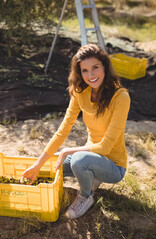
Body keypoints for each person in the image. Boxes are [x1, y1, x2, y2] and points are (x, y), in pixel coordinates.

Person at [21, 43, 130, 219]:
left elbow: (105, 147)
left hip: (114, 164)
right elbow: (63, 130)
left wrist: (68, 150)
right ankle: (92, 173)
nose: (90, 75)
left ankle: (86, 196)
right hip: (92, 155)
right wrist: (36, 166)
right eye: (85, 70)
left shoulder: (121, 97)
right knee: (54, 166)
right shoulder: (80, 93)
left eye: (95, 68)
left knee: (78, 160)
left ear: (105, 67)